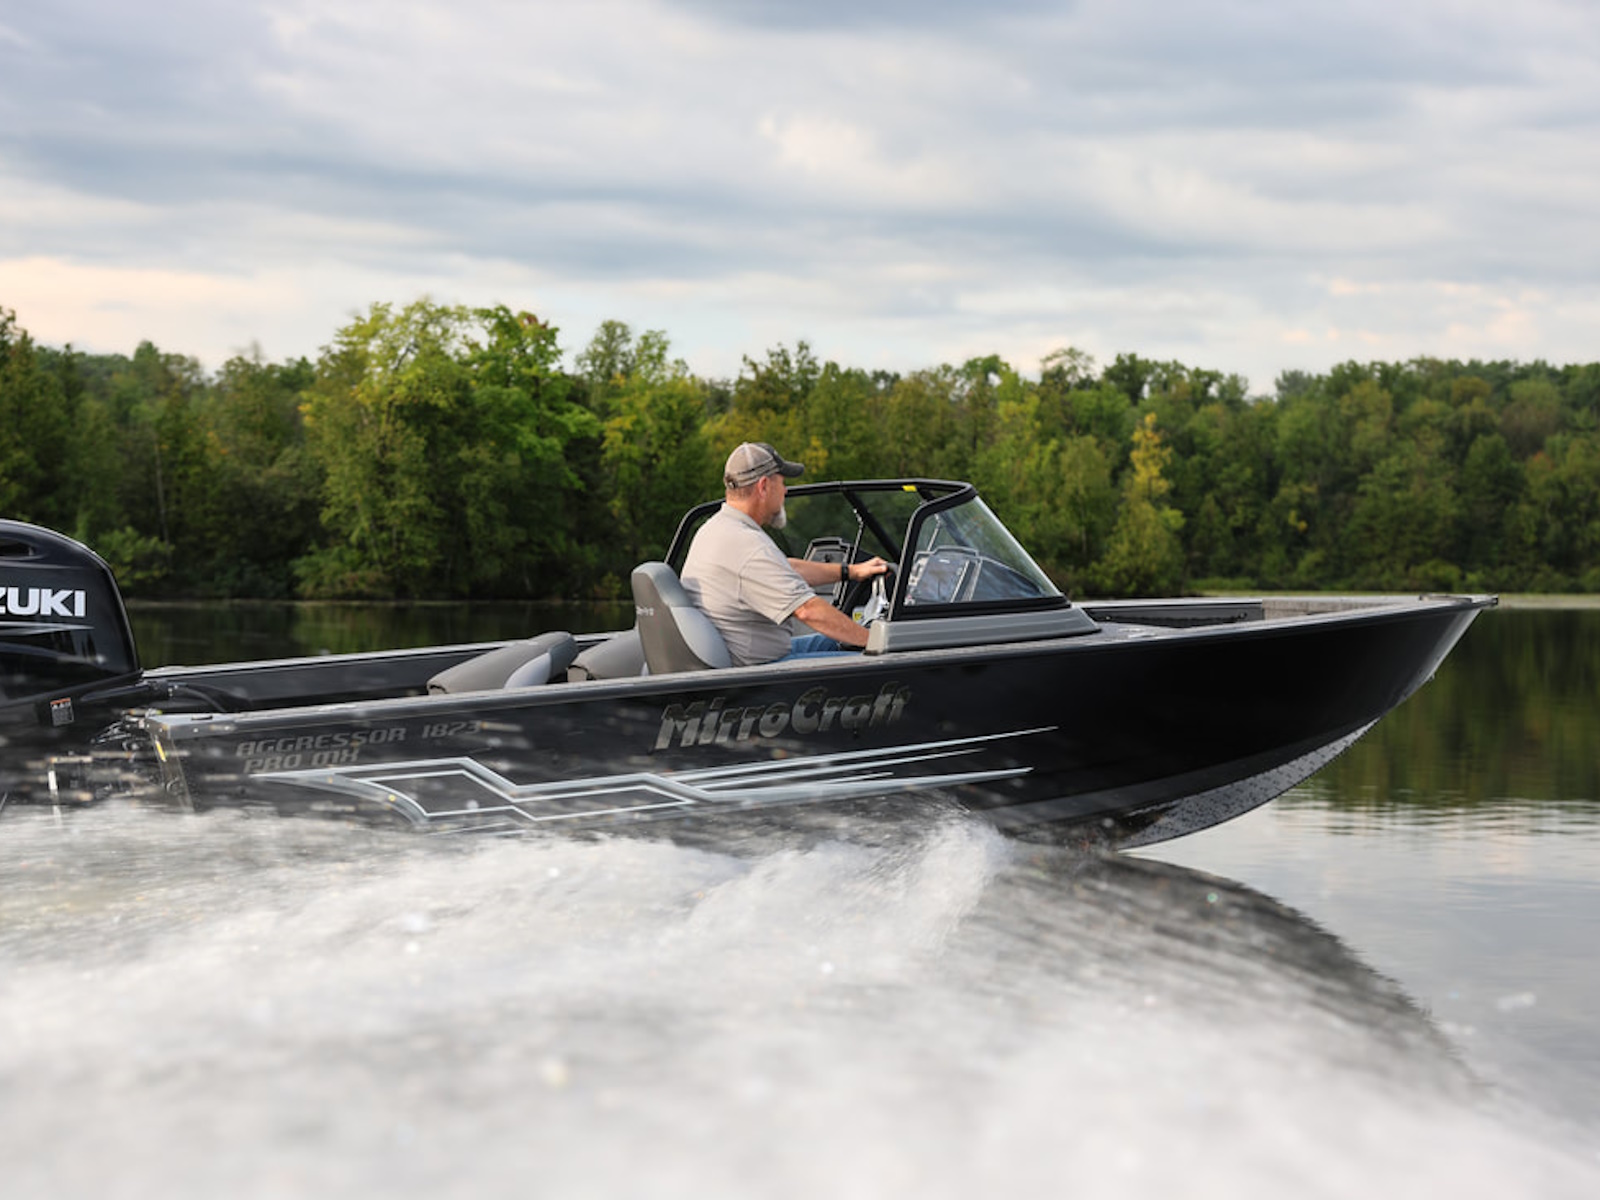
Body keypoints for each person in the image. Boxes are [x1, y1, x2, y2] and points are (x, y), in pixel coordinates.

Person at [680, 442, 889, 665]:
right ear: (763, 486)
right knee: (876, 659)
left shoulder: (715, 529)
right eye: (782, 483)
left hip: (750, 656)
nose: (786, 491)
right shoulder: (749, 546)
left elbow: (785, 568)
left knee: (837, 642)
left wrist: (851, 571)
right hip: (758, 672)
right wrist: (877, 642)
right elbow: (807, 610)